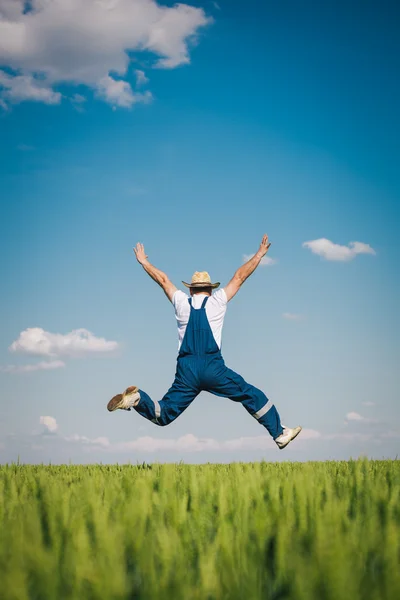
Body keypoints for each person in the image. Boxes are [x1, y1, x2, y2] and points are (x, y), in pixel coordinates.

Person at [107, 235, 301, 450]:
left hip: (187, 369)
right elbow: (239, 277)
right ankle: (279, 433)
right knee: (251, 394)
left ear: (191, 289)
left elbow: (163, 280)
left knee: (164, 413)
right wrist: (259, 255)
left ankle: (137, 399)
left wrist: (144, 262)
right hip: (212, 367)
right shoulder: (218, 301)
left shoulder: (181, 302)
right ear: (210, 289)